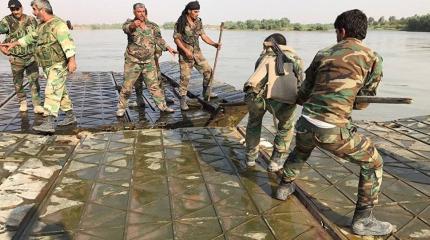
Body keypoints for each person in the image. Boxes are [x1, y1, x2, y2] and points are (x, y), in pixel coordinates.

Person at [275, 9, 393, 236]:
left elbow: (303, 93)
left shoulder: (323, 53)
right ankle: (363, 220)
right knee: (374, 162)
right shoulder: (373, 57)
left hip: (305, 123)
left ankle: (283, 187)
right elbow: (362, 103)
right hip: (333, 129)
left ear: (342, 31)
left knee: (301, 149)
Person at [1, 0, 78, 133]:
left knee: (51, 91)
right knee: (61, 92)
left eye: (35, 10)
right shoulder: (42, 25)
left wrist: (72, 61)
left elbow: (68, 44)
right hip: (48, 65)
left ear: (42, 10)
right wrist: (14, 44)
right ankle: (70, 116)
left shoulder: (58, 25)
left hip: (58, 64)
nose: (33, 13)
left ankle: (48, 122)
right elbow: (31, 37)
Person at [243, 33, 304, 170]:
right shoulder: (295, 58)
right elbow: (300, 81)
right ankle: (275, 161)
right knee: (286, 126)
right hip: (281, 98)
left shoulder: (263, 57)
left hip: (255, 95)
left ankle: (250, 159)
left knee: (254, 123)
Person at [116, 3, 177, 117]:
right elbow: (127, 29)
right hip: (133, 61)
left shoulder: (153, 26)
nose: (141, 14)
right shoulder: (129, 23)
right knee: (127, 86)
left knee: (154, 86)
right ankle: (121, 108)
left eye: (143, 11)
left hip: (149, 61)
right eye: (139, 12)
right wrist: (134, 25)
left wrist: (169, 48)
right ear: (134, 12)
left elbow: (158, 39)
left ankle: (163, 106)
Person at [173, 1, 221, 110]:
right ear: (189, 11)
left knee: (208, 70)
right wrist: (185, 51)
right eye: (195, 11)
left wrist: (214, 44)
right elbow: (176, 39)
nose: (197, 13)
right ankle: (183, 101)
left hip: (197, 53)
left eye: (198, 11)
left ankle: (206, 92)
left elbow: (203, 36)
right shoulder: (180, 22)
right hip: (185, 55)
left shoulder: (198, 22)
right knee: (185, 78)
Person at [0, 0, 43, 114]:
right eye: (12, 9)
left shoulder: (31, 20)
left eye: (17, 9)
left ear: (21, 8)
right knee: (18, 82)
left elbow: (39, 34)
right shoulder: (6, 21)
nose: (15, 11)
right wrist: (1, 47)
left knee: (34, 81)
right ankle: (22, 102)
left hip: (31, 56)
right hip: (16, 57)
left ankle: (37, 104)